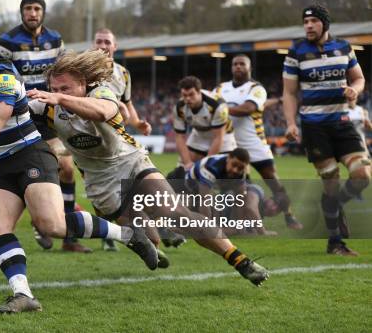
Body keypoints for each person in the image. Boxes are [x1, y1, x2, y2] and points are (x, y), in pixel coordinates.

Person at [0, 14, 159, 314]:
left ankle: (129, 235)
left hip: (29, 154)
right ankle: (22, 294)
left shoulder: (2, 76)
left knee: (51, 225)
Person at [28, 50, 269, 287]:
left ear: (82, 84)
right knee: (145, 236)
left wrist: (60, 99)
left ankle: (241, 261)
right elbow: (12, 113)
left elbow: (103, 112)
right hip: (100, 181)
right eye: (54, 89)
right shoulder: (47, 108)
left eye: (65, 88)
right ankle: (145, 242)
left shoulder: (101, 92)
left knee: (175, 214)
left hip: (130, 162)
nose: (57, 94)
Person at [0, 0, 88, 253]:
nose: (32, 13)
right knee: (29, 171)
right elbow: (0, 75)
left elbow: (65, 71)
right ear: (21, 12)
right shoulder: (8, 41)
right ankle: (41, 221)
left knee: (67, 169)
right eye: (28, 9)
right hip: (20, 115)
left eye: (37, 8)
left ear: (43, 12)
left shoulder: (55, 40)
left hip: (48, 113)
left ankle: (69, 236)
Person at [283, 3, 370, 256]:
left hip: (343, 123)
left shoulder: (344, 47)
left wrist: (357, 89)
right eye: (305, 22)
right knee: (330, 180)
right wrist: (290, 122)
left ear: (324, 23)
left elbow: (359, 78)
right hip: (314, 127)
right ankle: (335, 243)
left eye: (313, 21)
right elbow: (289, 93)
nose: (308, 26)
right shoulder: (296, 51)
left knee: (363, 175)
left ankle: (334, 205)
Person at [214, 54, 303, 230]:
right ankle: (237, 222)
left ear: (249, 68)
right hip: (230, 145)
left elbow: (249, 108)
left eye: (242, 64)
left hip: (255, 144)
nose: (238, 67)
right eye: (235, 64)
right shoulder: (220, 88)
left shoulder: (256, 88)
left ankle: (289, 216)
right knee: (231, 186)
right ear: (231, 68)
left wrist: (221, 108)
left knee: (273, 181)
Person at [92, 27, 157, 251]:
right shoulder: (85, 70)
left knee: (133, 185)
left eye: (107, 42)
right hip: (91, 140)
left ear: (114, 46)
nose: (102, 46)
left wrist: (138, 123)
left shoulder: (123, 73)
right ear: (93, 44)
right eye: (99, 41)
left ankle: (148, 232)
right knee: (101, 192)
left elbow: (127, 104)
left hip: (118, 138)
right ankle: (109, 233)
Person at [183, 149, 277, 236]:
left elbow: (240, 201)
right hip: (191, 185)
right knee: (203, 209)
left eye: (240, 168)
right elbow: (205, 201)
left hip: (217, 185)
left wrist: (239, 227)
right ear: (228, 158)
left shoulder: (240, 173)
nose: (236, 170)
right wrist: (208, 229)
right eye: (234, 165)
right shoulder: (211, 167)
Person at [173, 76, 237, 169]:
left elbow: (218, 137)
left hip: (224, 136)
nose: (187, 99)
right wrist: (187, 163)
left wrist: (206, 165)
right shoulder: (179, 107)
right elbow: (179, 137)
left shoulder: (217, 105)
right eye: (184, 95)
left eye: (191, 94)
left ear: (199, 92)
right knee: (181, 170)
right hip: (199, 134)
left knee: (223, 170)